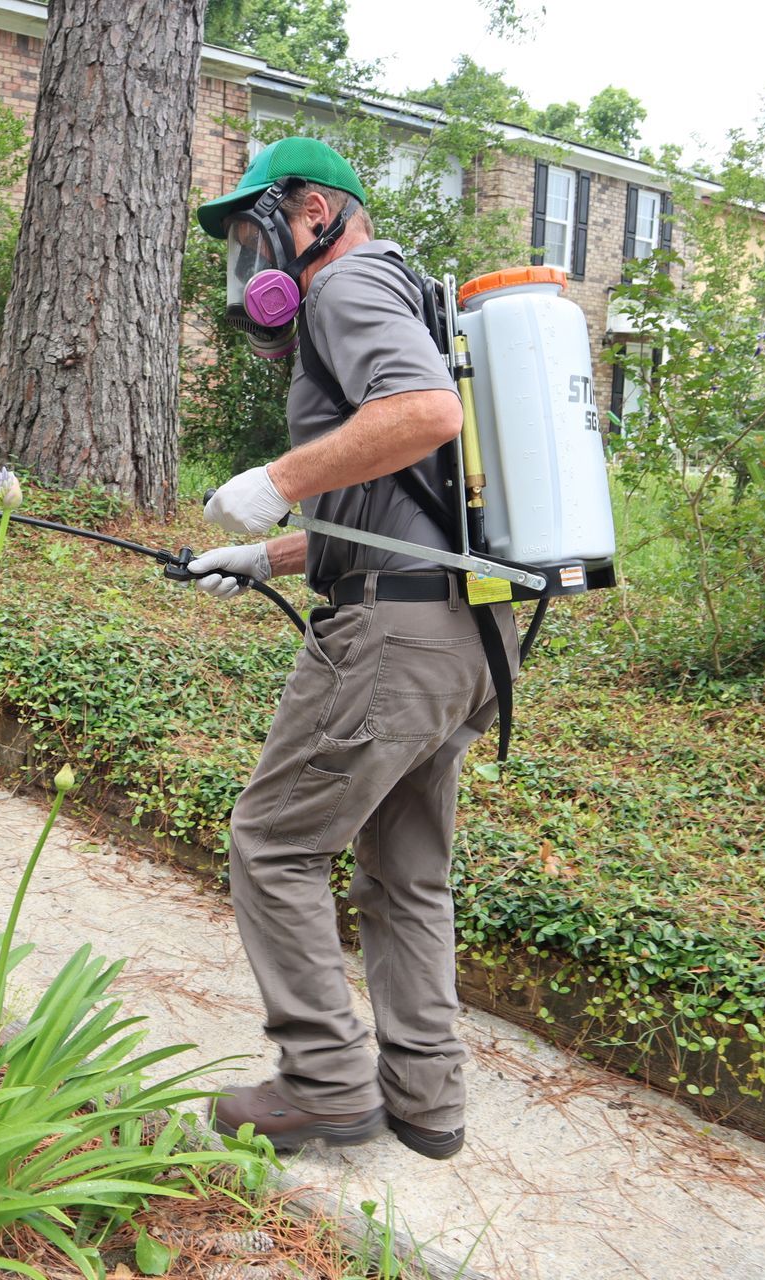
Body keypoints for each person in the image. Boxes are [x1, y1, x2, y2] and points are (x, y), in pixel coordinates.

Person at [185, 136, 516, 1160]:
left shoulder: (348, 283)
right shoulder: (413, 296)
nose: (249, 259)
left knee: (273, 839)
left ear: (316, 212)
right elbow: (396, 500)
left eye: (255, 230)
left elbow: (423, 414)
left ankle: (324, 1078)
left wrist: (278, 474)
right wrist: (266, 555)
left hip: (393, 636)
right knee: (406, 869)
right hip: (466, 630)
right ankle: (427, 1098)